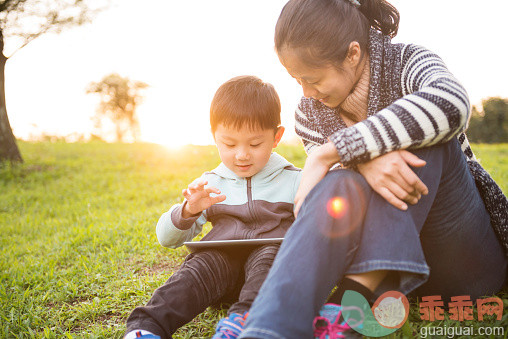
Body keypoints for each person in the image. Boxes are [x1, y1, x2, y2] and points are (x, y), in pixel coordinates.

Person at [238, 0, 508, 338]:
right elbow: (331, 191)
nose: (306, 92)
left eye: (312, 78)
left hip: (465, 261)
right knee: (341, 182)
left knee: (429, 137)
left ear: (353, 54)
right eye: (296, 80)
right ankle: (268, 329)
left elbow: (451, 104)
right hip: (399, 289)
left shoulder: (408, 61)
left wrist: (332, 152)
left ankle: (353, 300)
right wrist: (363, 160)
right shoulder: (310, 112)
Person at [123, 75, 301, 339]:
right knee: (200, 266)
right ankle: (147, 327)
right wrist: (189, 211)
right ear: (214, 137)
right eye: (229, 144)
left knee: (271, 254)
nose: (242, 155)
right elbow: (166, 238)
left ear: (276, 137)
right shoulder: (210, 184)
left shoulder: (295, 179)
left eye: (255, 144)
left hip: (267, 272)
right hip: (218, 277)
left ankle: (245, 324)